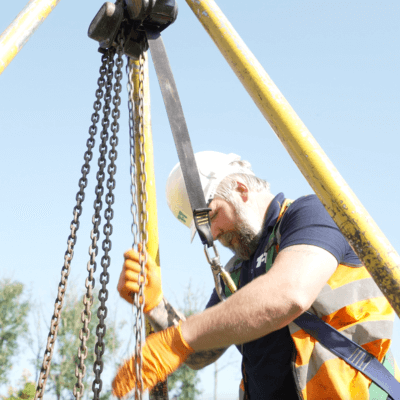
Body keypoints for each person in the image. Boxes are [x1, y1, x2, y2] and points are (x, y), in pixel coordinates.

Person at [113, 151, 399, 399]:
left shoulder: (312, 213)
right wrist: (156, 307)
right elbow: (201, 352)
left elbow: (289, 293)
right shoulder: (237, 271)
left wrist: (179, 338)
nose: (212, 235)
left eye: (210, 217)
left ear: (240, 188)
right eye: (202, 231)